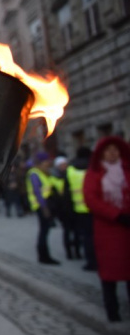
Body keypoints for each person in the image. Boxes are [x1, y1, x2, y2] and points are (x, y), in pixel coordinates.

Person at [83, 136, 130, 322]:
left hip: (127, 229)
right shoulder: (94, 173)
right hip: (108, 229)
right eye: (108, 150)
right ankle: (113, 311)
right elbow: (91, 199)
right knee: (110, 272)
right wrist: (116, 214)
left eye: (115, 150)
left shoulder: (126, 170)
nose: (112, 153)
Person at [25, 151, 60, 265]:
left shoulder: (44, 172)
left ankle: (44, 256)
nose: (48, 163)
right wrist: (44, 207)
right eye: (46, 161)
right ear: (41, 162)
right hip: (41, 206)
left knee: (45, 230)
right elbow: (37, 191)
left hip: (45, 205)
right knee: (44, 231)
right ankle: (44, 256)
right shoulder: (34, 173)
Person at [63, 148, 95, 269]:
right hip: (97, 209)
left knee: (86, 236)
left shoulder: (71, 169)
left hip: (79, 208)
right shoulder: (94, 166)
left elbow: (67, 193)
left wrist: (67, 210)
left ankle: (90, 261)